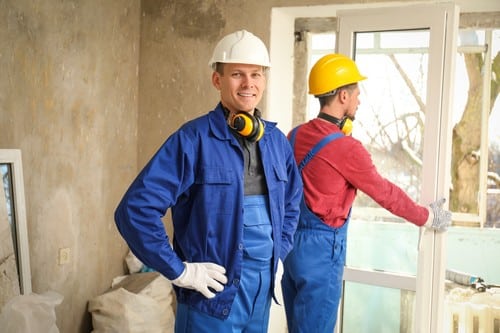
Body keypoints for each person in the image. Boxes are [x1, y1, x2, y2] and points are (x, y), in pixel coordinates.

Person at [114, 30, 302, 333]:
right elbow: (135, 210)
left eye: (256, 74)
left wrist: (278, 252)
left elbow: (292, 203)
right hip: (211, 297)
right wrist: (180, 272)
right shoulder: (193, 140)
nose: (248, 84)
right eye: (237, 74)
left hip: (261, 295)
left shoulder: (277, 143)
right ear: (217, 81)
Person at [280, 53, 452, 333]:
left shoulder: (295, 135)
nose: (360, 99)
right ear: (343, 97)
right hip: (323, 253)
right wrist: (428, 217)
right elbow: (385, 193)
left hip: (292, 248)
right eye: (357, 93)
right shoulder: (347, 149)